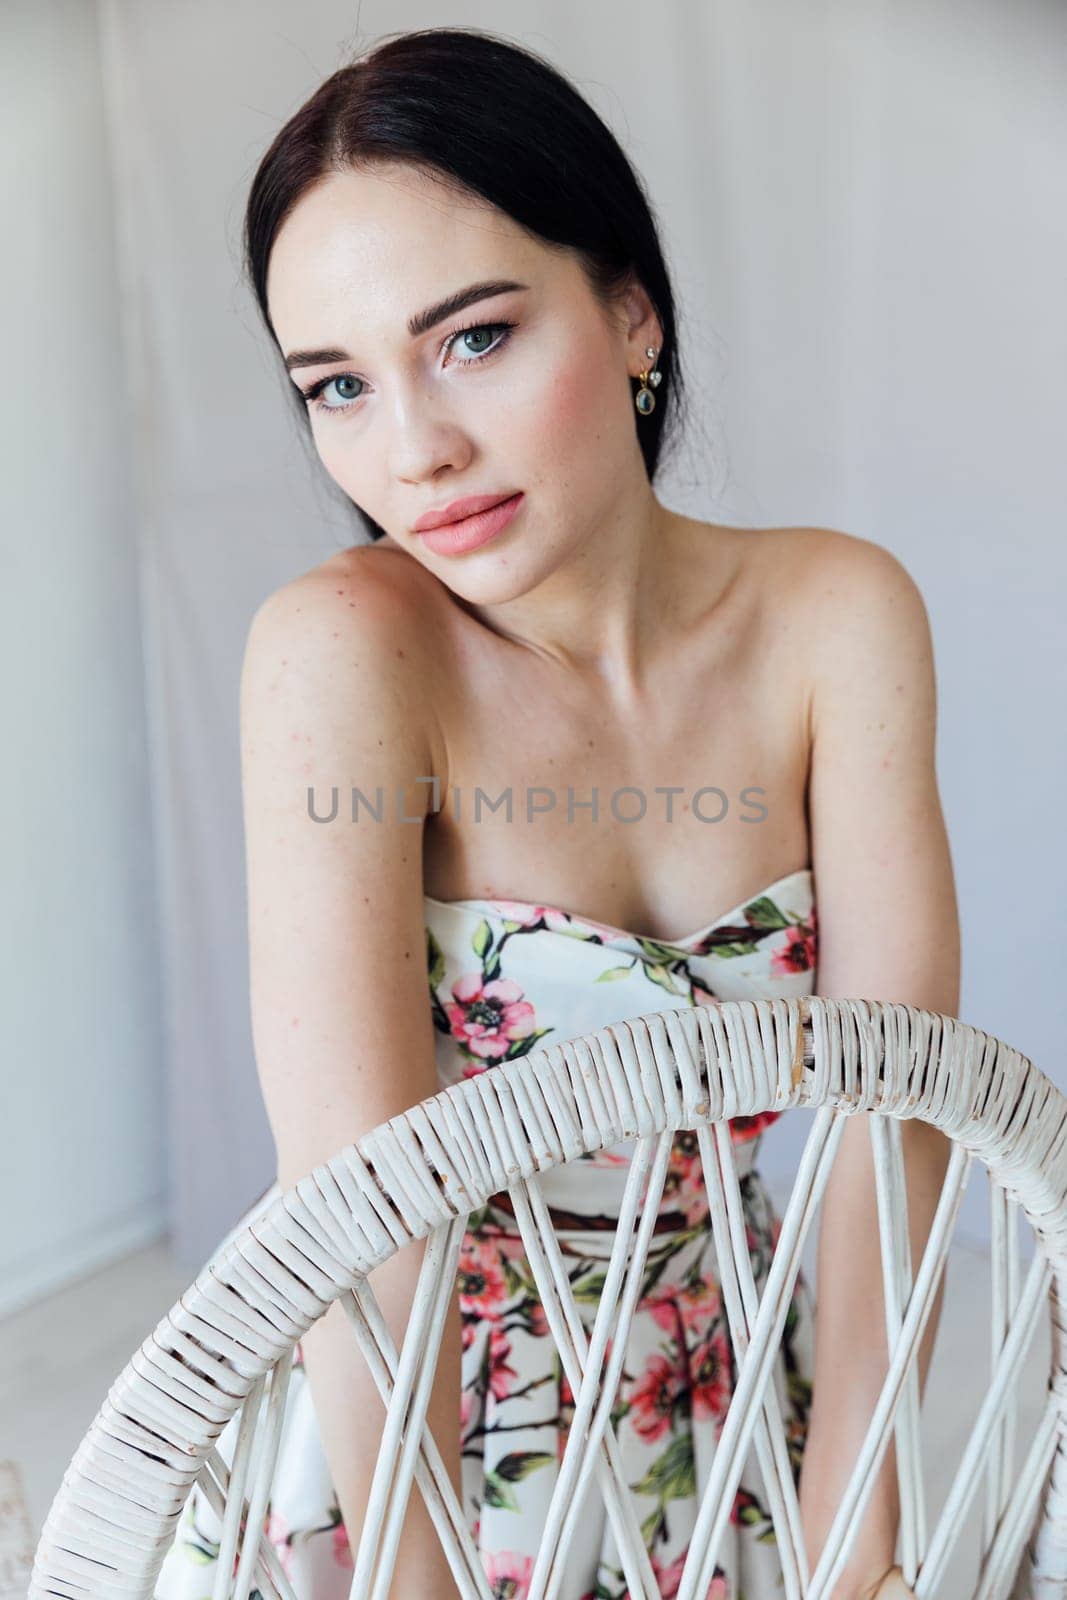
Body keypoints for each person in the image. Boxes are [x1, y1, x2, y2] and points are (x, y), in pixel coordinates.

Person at [155, 25, 959, 1600]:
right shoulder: (342, 654)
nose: (412, 449)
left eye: (471, 339)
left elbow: (898, 1122)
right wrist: (419, 1576)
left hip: (722, 1372)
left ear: (633, 308)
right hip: (408, 1437)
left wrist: (855, 1534)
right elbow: (365, 1214)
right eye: (337, 385)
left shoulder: (835, 615)